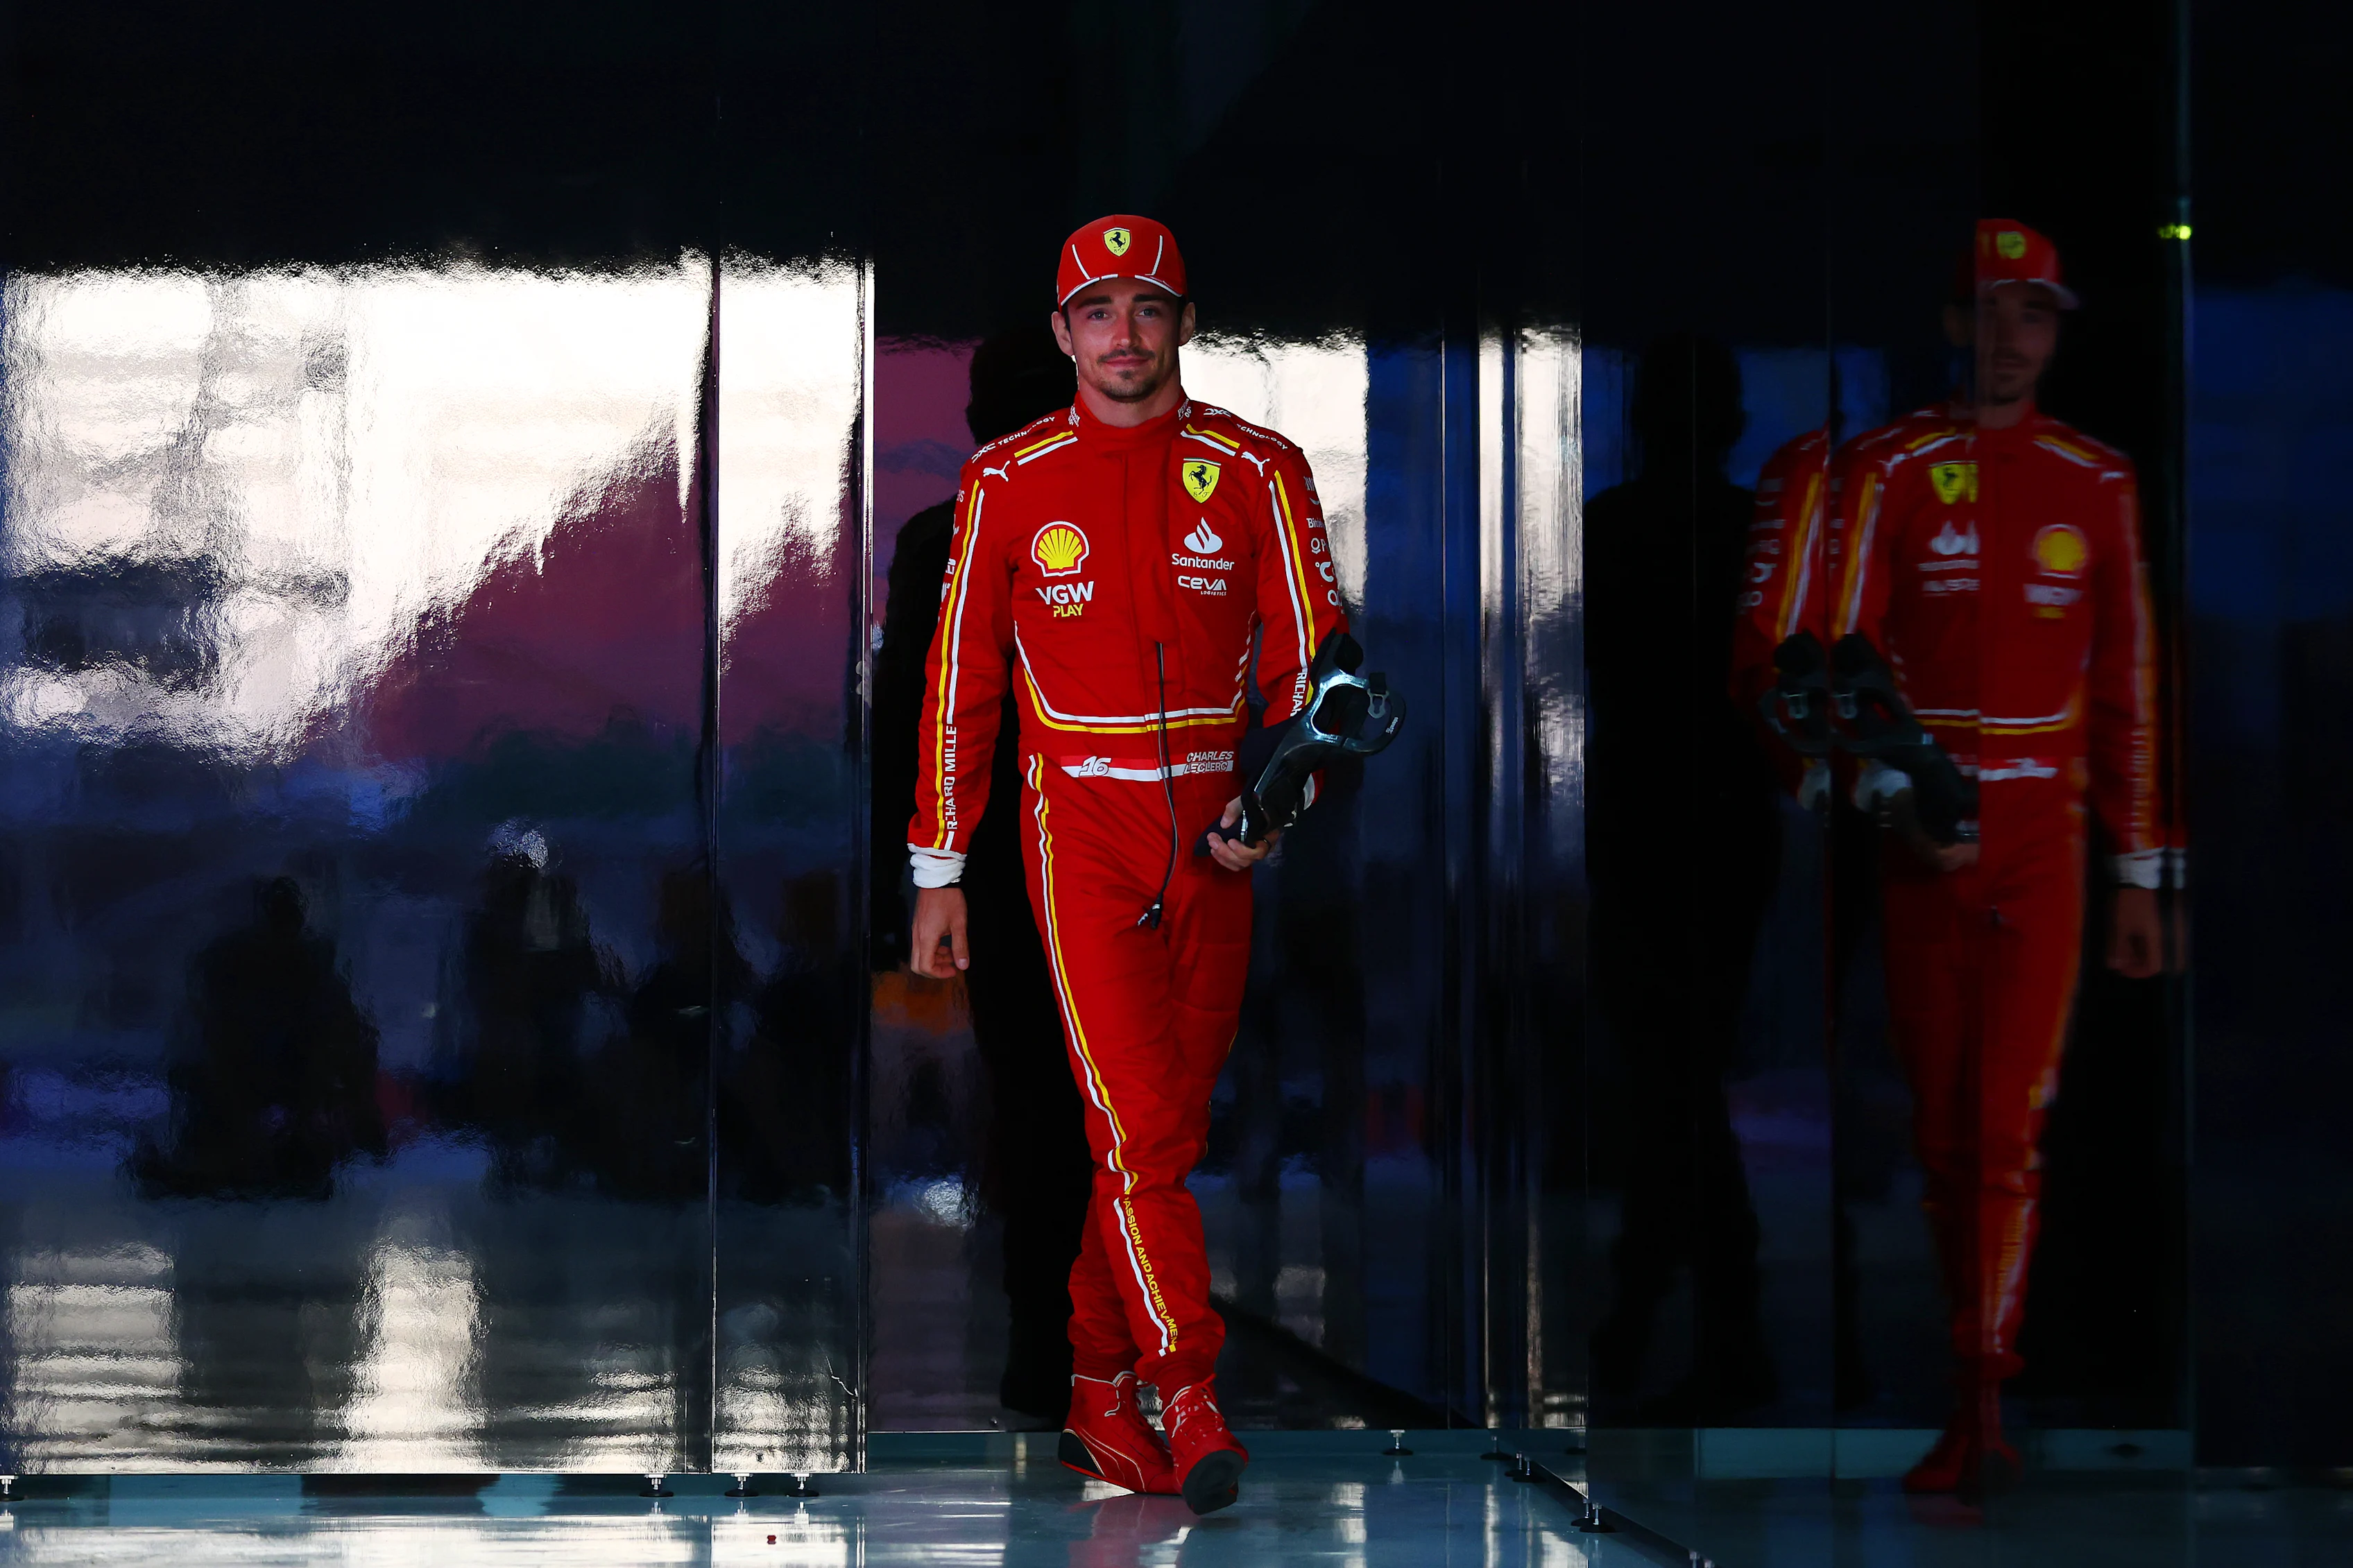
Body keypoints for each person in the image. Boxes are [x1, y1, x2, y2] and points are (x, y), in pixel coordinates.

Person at [907, 214, 1346, 1515]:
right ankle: (1187, 1389)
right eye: (1097, 311)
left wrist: (1281, 799)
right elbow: (959, 686)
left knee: (1158, 1130)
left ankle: (1098, 1386)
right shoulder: (1007, 482)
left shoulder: (1260, 467)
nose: (1123, 335)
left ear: (1185, 323)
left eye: (1148, 308)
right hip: (1077, 830)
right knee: (1139, 1130)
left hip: (1220, 832)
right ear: (1064, 334)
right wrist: (938, 868)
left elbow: (1317, 667)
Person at [1737, 218, 2166, 1496]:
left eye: (2032, 314)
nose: (2007, 338)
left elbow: (2133, 684)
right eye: (1986, 311)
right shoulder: (1885, 467)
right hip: (1924, 826)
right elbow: (1813, 664)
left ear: (2058, 331)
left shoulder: (2098, 481)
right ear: (1948, 324)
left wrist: (2145, 870)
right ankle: (1957, 1385)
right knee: (1946, 1125)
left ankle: (1989, 1390)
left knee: (2012, 1128)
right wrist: (1879, 793)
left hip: (2047, 838)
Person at [871, 326, 1094, 1422]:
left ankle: (1045, 1341)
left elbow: (904, 733)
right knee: (1094, 1109)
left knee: (1036, 1102)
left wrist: (908, 881)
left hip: (1006, 872)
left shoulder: (939, 541)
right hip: (1100, 868)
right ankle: (1083, 1339)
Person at [1583, 336, 1781, 1419]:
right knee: (1682, 1081)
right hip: (1728, 825)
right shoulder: (1757, 532)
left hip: (1642, 826)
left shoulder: (1610, 530)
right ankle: (1690, 1316)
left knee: (1672, 1083)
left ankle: (1666, 1312)